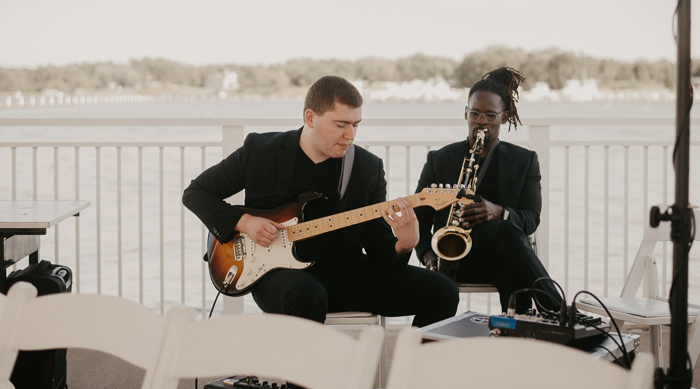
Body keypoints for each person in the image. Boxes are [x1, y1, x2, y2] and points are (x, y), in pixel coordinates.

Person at [183, 75, 458, 327]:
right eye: (340, 125)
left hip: (346, 274)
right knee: (306, 295)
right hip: (277, 276)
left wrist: (404, 244)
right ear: (311, 118)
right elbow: (196, 193)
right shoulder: (260, 151)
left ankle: (413, 374)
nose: (350, 135)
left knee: (443, 291)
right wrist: (245, 222)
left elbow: (376, 246)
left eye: (355, 125)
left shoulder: (367, 167)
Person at [414, 68, 562, 314]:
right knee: (511, 261)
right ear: (466, 113)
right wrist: (428, 255)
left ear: (504, 117)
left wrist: (500, 212)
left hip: (498, 259)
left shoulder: (525, 160)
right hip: (449, 257)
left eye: (490, 115)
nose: (481, 121)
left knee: (510, 257)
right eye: (475, 113)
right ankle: (558, 313)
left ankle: (528, 334)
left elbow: (531, 218)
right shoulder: (439, 159)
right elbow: (419, 217)